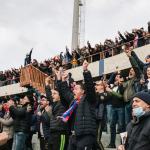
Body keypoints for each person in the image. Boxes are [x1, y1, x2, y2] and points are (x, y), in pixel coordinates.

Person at [59, 60, 98, 150]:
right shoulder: (73, 101)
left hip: (85, 136)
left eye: (76, 89)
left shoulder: (89, 99)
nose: (73, 90)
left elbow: (90, 88)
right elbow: (65, 92)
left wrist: (85, 71)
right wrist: (63, 80)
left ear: (82, 91)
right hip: (74, 137)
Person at [45, 73, 69, 150]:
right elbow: (48, 95)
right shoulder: (55, 103)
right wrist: (46, 84)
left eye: (54, 94)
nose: (52, 95)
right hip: (52, 134)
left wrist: (59, 77)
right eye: (52, 94)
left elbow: (62, 91)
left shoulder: (63, 102)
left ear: (60, 95)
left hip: (60, 134)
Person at [118, 50, 142, 126]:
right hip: (126, 105)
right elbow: (121, 92)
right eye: (129, 70)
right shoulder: (128, 82)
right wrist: (120, 84)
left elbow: (136, 67)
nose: (130, 71)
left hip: (133, 103)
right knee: (127, 124)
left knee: (135, 122)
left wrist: (130, 57)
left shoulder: (137, 78)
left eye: (132, 70)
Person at [106, 75, 125, 148]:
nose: (117, 78)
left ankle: (122, 145)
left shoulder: (123, 85)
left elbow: (120, 96)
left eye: (119, 77)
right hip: (113, 108)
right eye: (116, 77)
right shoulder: (114, 87)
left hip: (121, 107)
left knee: (122, 126)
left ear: (122, 79)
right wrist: (106, 89)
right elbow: (110, 95)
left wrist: (111, 91)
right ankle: (112, 143)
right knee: (112, 125)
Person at [92, 81, 109, 150]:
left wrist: (94, 93)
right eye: (95, 85)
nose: (95, 86)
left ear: (102, 86)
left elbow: (98, 101)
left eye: (98, 85)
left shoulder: (105, 94)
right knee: (92, 141)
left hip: (99, 120)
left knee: (96, 140)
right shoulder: (96, 95)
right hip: (93, 119)